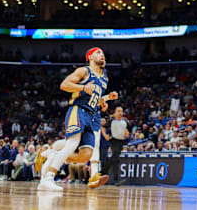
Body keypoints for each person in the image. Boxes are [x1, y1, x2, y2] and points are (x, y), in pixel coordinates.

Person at [38, 47, 110, 191]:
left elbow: (93, 98)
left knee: (85, 156)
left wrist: (105, 100)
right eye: (97, 53)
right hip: (78, 110)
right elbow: (64, 85)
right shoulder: (84, 71)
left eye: (102, 53)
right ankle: (48, 177)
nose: (101, 55)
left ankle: (50, 154)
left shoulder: (104, 79)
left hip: (92, 115)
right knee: (72, 143)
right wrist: (83, 88)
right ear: (89, 57)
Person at [103, 106, 129, 185]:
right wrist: (105, 135)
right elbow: (103, 128)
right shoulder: (111, 121)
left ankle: (103, 171)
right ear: (115, 112)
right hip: (113, 140)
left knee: (114, 158)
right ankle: (116, 179)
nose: (120, 113)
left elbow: (126, 131)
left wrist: (127, 134)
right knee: (116, 158)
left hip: (121, 141)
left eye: (121, 111)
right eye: (118, 111)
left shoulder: (125, 122)